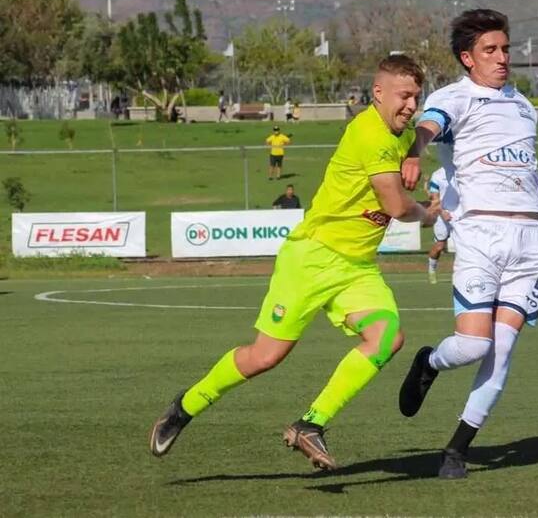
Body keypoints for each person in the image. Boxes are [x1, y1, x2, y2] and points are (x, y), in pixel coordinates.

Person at [149, 54, 440, 471]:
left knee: (388, 335)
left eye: (416, 96)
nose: (411, 105)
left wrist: (415, 150)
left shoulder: (400, 130)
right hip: (312, 258)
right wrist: (428, 215)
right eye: (403, 95)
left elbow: (420, 133)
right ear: (378, 94)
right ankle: (185, 406)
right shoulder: (370, 134)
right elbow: (395, 205)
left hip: (356, 267)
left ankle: (311, 424)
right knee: (265, 357)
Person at [396, 9, 538, 480]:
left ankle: (456, 450)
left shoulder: (523, 106)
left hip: (533, 240)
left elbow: (523, 175)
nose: (502, 58)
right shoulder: (454, 97)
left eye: (506, 49)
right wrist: (414, 153)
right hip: (481, 235)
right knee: (473, 345)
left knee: (503, 351)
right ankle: (430, 361)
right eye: (490, 51)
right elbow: (428, 124)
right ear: (467, 58)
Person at [426, 165, 456, 284]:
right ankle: (431, 270)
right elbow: (434, 199)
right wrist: (442, 212)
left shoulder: (462, 169)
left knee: (466, 246)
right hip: (441, 215)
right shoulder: (437, 175)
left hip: (460, 215)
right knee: (439, 247)